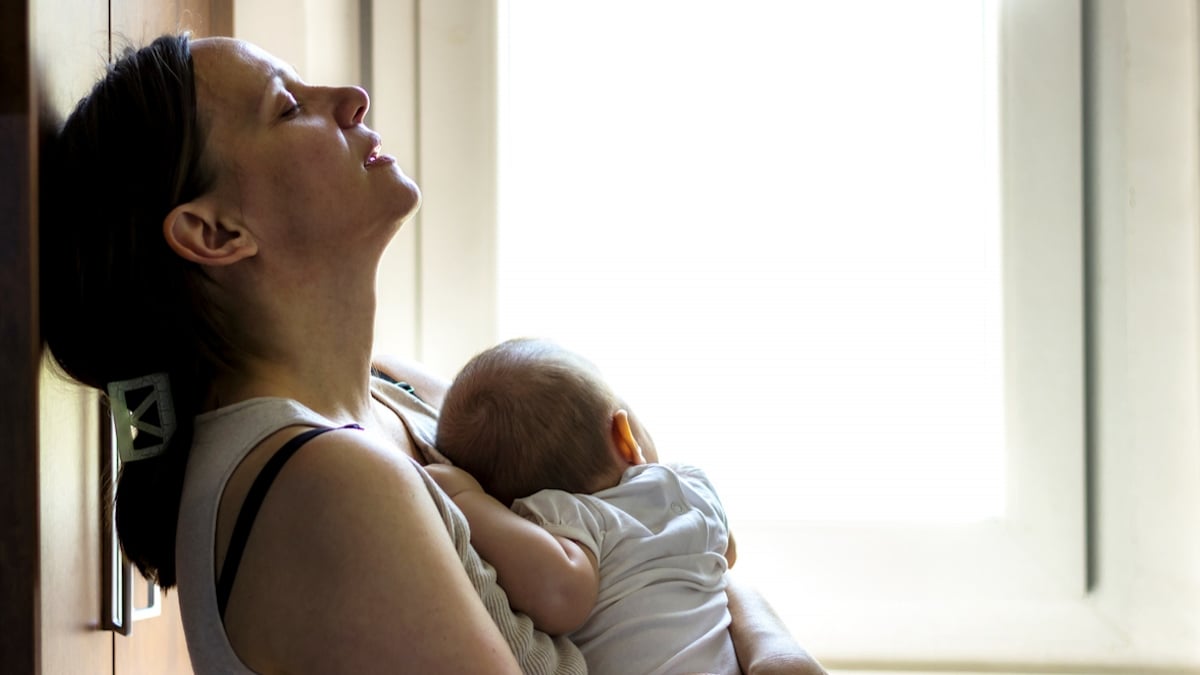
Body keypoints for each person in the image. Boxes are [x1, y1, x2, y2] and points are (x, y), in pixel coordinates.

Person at [38, 32, 826, 675]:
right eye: (288, 106)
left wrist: (775, 646)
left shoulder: (398, 397)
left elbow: (671, 548)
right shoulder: (323, 483)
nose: (350, 99)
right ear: (215, 233)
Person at [432, 337, 740, 675]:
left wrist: (465, 499)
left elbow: (561, 597)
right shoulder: (689, 485)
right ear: (625, 438)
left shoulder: (571, 520)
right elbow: (727, 554)